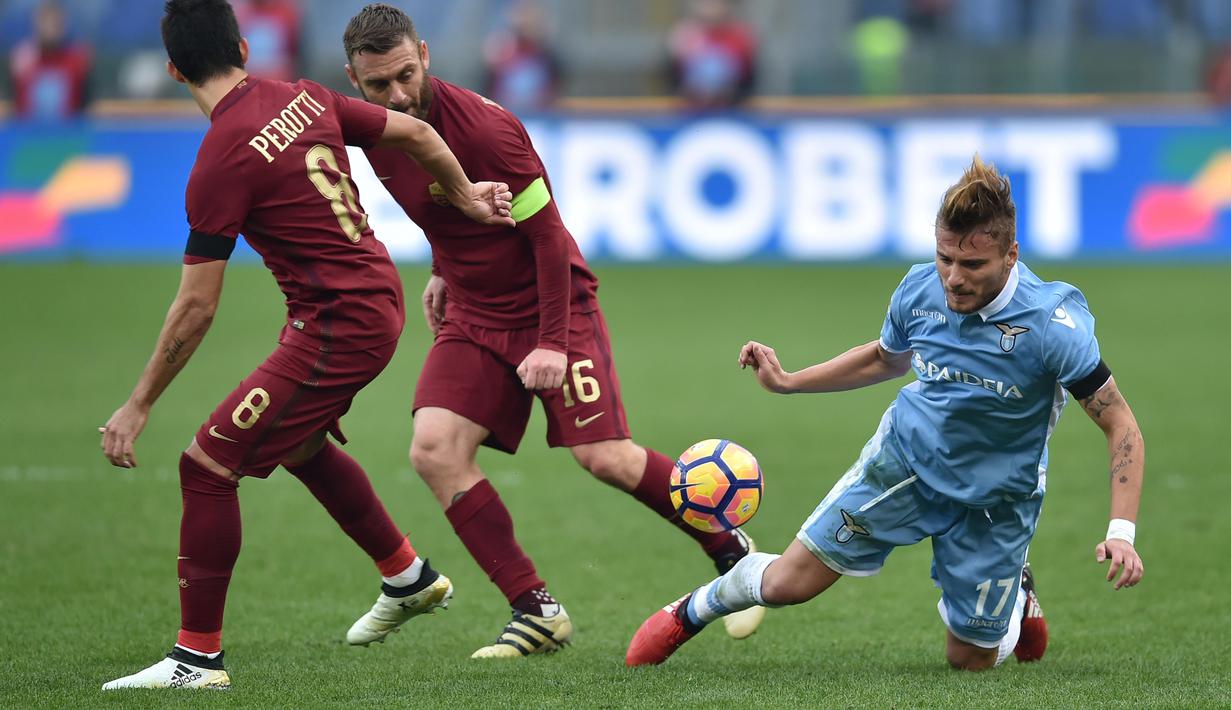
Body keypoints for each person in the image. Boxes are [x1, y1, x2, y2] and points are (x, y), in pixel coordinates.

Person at [98, 0, 514, 690]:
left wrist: (138, 402)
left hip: (339, 324)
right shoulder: (303, 96)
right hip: (367, 304)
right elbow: (411, 131)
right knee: (296, 441)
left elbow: (196, 306)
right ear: (242, 45)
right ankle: (406, 576)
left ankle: (195, 659)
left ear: (174, 70)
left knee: (206, 466)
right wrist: (464, 195)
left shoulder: (219, 161)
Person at [340, 3, 764, 659]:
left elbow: (546, 240)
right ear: (354, 81)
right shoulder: (376, 134)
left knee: (605, 457)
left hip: (549, 302)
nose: (396, 94)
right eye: (377, 86)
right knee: (433, 449)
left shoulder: (485, 129)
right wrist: (442, 269)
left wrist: (552, 342)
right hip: (474, 312)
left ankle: (730, 549)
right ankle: (535, 611)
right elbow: (440, 212)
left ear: (424, 55)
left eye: (404, 75)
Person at [627, 156, 1146, 670]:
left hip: (998, 495)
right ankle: (693, 610)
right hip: (906, 463)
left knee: (971, 660)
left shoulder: (1053, 325)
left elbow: (1119, 423)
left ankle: (1016, 597)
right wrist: (789, 383)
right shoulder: (920, 289)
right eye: (945, 258)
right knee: (788, 584)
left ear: (1011, 256)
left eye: (972, 265)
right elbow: (884, 358)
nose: (954, 278)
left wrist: (1121, 532)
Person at [666, 0, 757, 109]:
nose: (711, 6)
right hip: (689, 111)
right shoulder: (683, 35)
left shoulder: (742, 36)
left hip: (731, 110)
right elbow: (671, 78)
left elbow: (750, 80)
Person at [9, 0, 91, 119]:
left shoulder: (78, 60)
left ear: (63, 25)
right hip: (28, 134)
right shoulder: (22, 61)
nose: (50, 28)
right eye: (45, 21)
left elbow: (85, 109)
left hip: (68, 134)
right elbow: (16, 109)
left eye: (55, 22)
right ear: (36, 24)